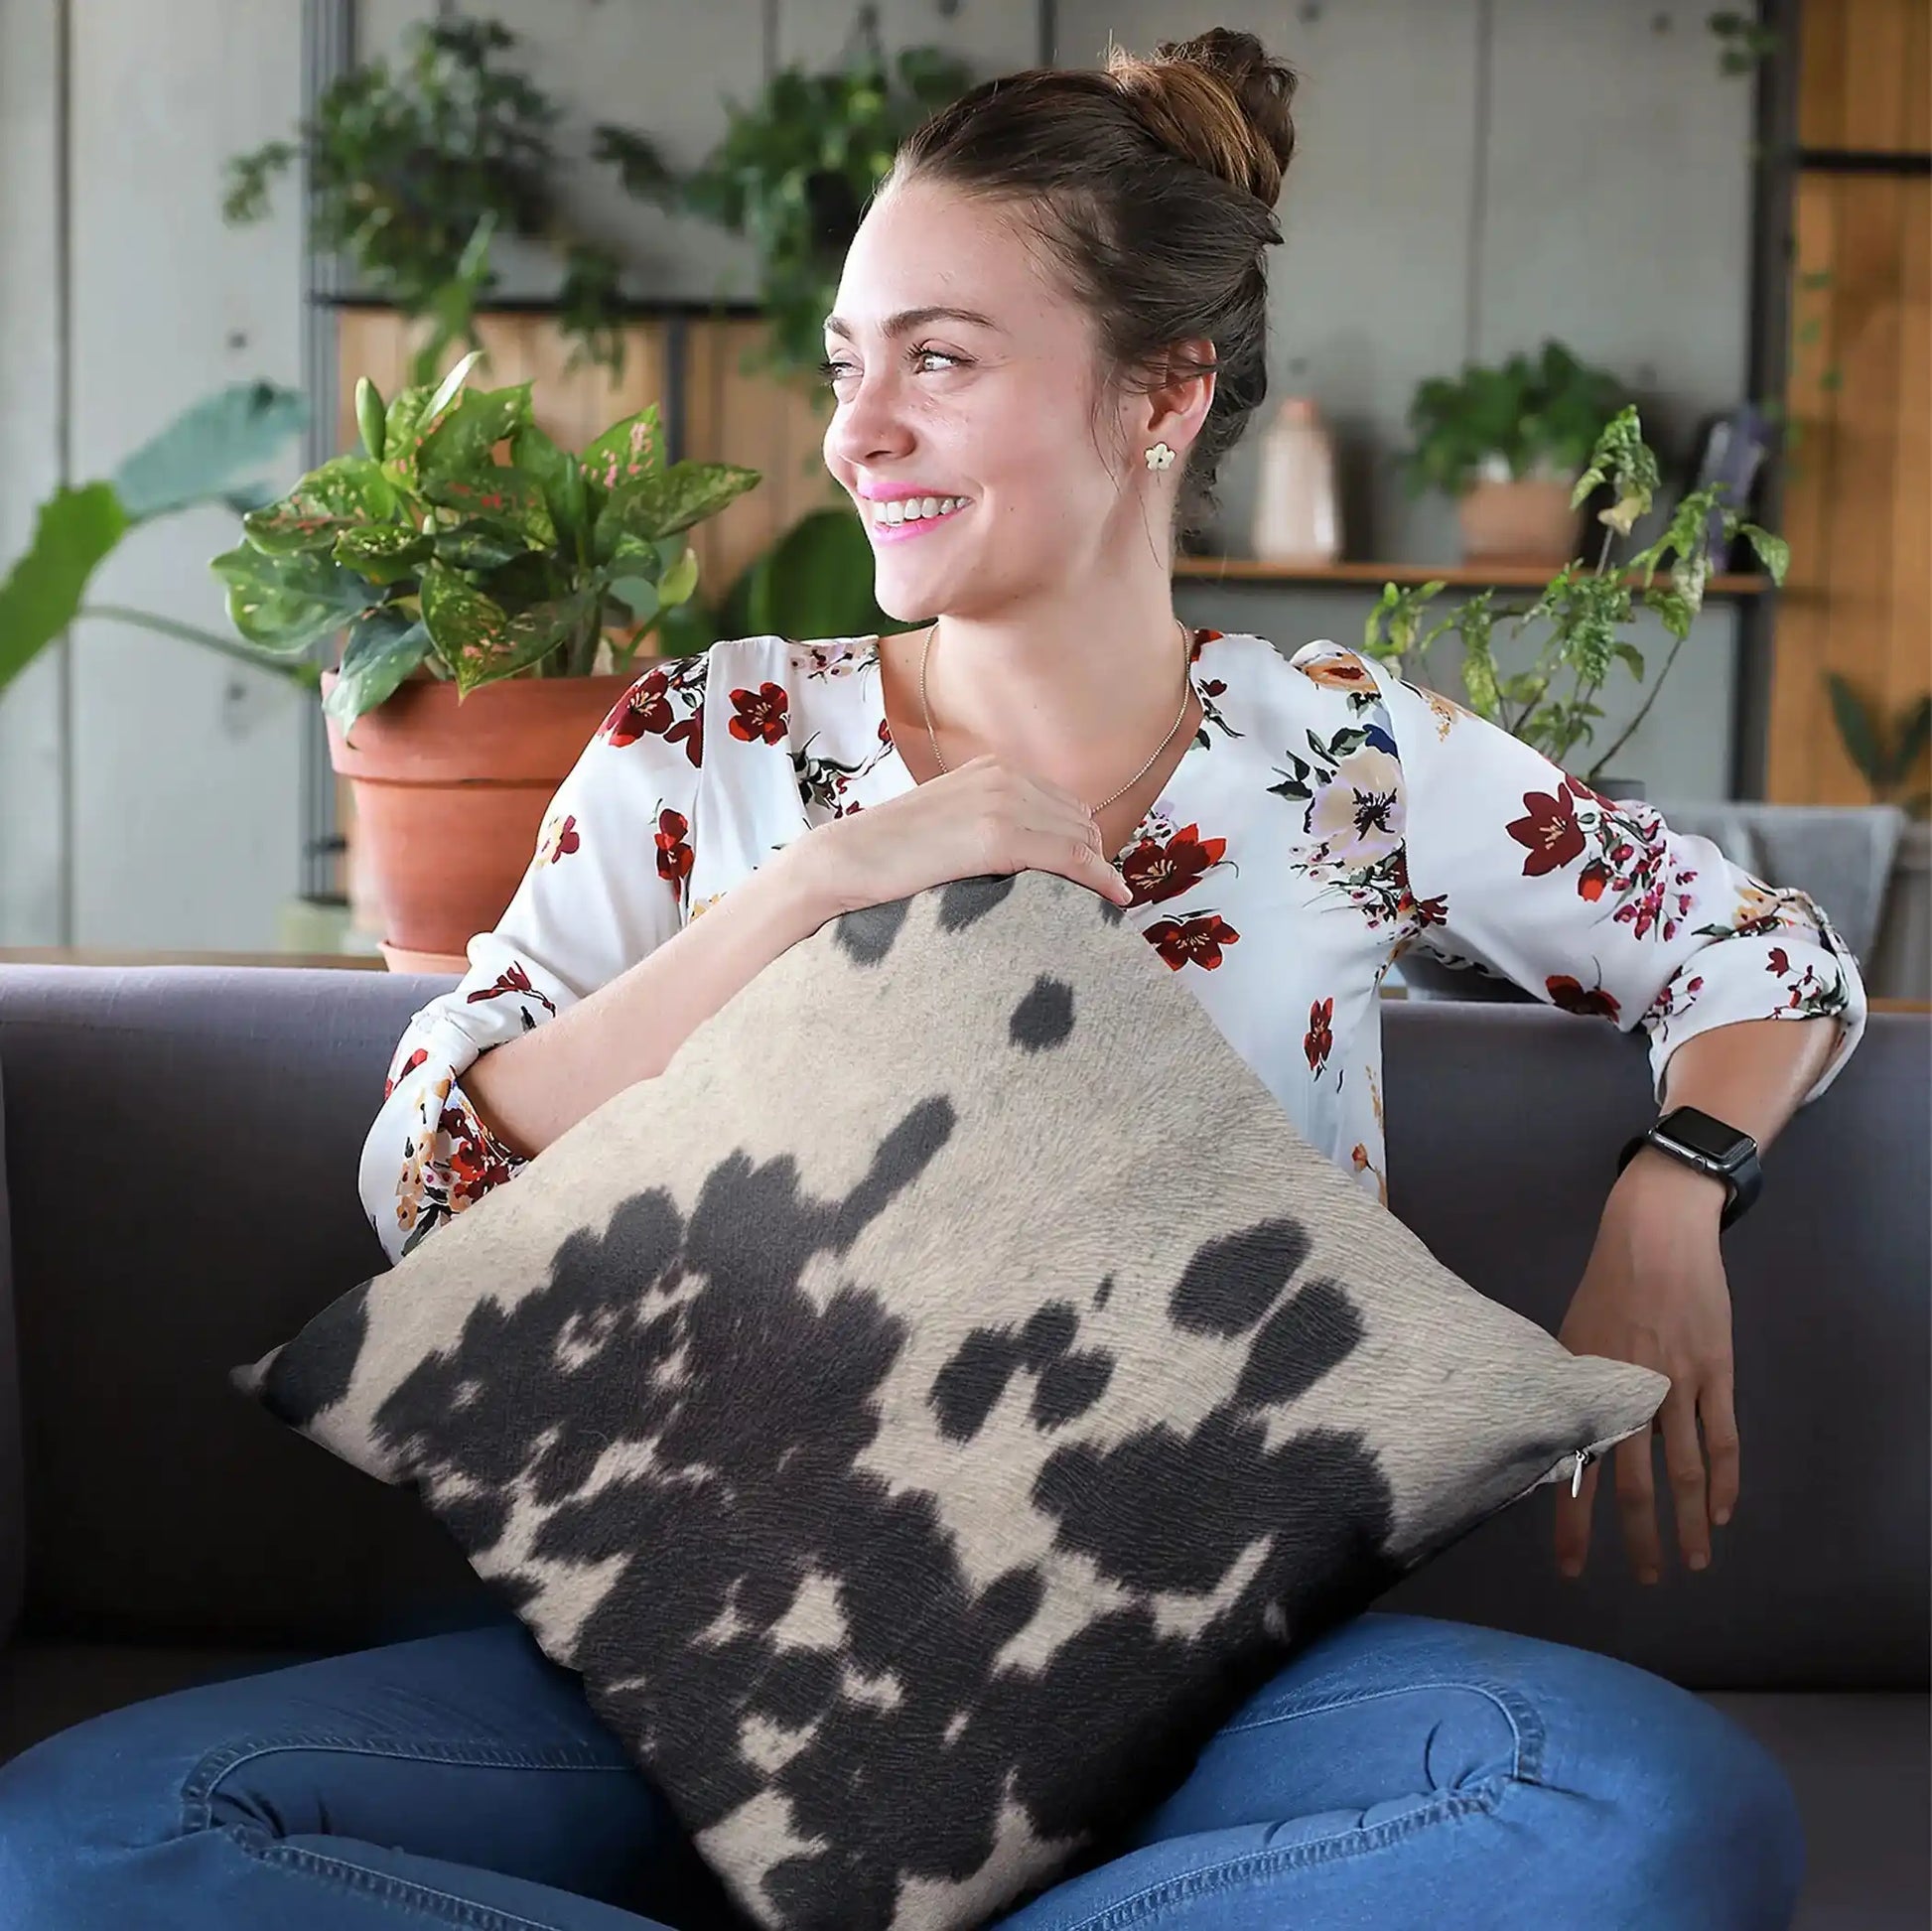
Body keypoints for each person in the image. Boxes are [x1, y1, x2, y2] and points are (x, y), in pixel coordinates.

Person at [0, 29, 1862, 1931]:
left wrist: (1676, 1186)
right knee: (86, 1845)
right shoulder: (708, 743)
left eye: (938, 359)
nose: (852, 429)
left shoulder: (1339, 759)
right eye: (846, 361)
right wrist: (807, 892)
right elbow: (428, 1177)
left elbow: (1757, 945)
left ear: (1162, 393)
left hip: (1198, 1679)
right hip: (697, 1657)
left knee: (1640, 1813)